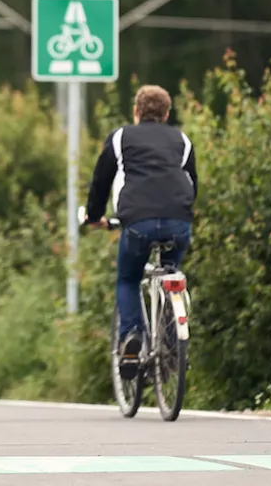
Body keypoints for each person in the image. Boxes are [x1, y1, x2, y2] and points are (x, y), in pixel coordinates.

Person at [82, 84, 197, 379]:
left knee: (128, 279)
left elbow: (101, 181)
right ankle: (172, 345)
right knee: (171, 271)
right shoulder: (181, 140)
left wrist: (94, 216)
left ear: (136, 111)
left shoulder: (121, 137)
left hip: (137, 223)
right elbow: (191, 184)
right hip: (178, 221)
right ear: (167, 113)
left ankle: (133, 337)